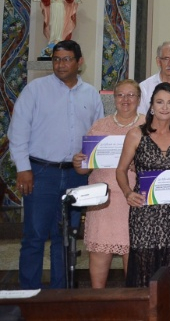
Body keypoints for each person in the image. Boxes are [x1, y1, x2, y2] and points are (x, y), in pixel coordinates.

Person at [9, 39, 104, 289]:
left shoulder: (91, 94)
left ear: (79, 62)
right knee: (35, 236)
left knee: (66, 239)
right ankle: (29, 297)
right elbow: (17, 132)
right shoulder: (35, 90)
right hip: (40, 173)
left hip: (75, 176)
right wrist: (23, 169)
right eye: (56, 59)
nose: (61, 64)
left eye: (67, 59)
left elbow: (96, 136)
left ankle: (61, 296)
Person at [116, 83, 170, 320]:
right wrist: (128, 193)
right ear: (151, 106)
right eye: (160, 102)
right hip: (144, 212)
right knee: (143, 264)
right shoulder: (136, 134)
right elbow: (120, 170)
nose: (165, 107)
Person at [71, 79, 144, 288]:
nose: (126, 100)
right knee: (99, 255)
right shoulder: (100, 125)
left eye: (131, 95)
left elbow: (157, 165)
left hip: (134, 200)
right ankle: (98, 305)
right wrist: (78, 163)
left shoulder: (148, 125)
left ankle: (133, 309)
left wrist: (137, 166)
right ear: (114, 99)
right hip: (104, 201)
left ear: (139, 99)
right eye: (121, 95)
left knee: (135, 258)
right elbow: (84, 168)